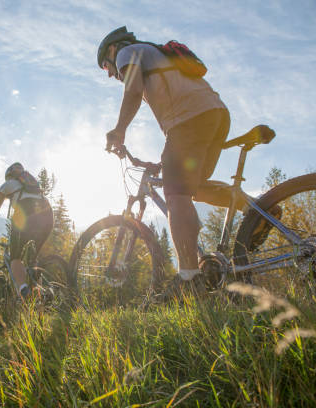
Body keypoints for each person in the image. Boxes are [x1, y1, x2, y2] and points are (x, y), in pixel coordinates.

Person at [98, 26, 275, 296]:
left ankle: (189, 280)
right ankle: (256, 210)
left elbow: (133, 90)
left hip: (188, 120)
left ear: (112, 50)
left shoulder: (126, 52)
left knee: (177, 196)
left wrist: (119, 129)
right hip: (214, 114)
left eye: (105, 67)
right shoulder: (155, 53)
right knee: (193, 188)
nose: (110, 74)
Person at [0, 162, 53, 299]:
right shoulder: (32, 187)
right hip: (47, 214)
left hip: (26, 213)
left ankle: (24, 291)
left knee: (15, 257)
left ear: (9, 176)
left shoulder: (7, 185)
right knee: (33, 260)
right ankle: (40, 294)